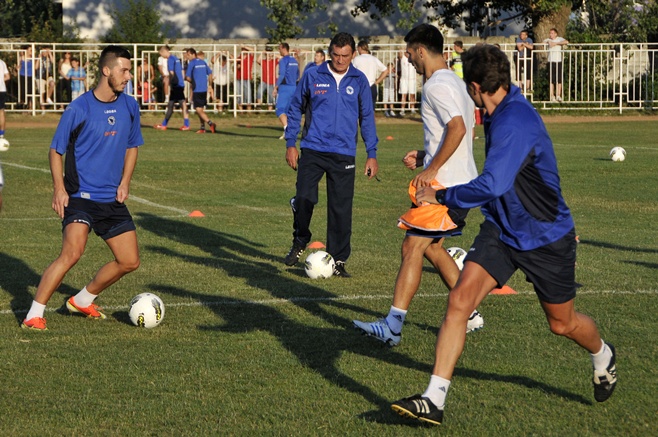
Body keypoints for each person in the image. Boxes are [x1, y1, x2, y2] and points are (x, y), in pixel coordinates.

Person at [390, 43, 617, 426]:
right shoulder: (496, 109)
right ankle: (434, 399)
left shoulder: (514, 121)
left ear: (476, 87)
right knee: (459, 301)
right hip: (502, 229)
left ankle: (603, 354)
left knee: (562, 324)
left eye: (467, 84)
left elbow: (493, 183)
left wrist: (442, 194)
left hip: (544, 235)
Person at [353, 23, 483, 346]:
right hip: (459, 182)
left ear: (422, 51)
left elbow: (457, 129)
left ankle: (393, 326)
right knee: (433, 248)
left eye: (410, 53)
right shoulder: (456, 83)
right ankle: (470, 313)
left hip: (443, 186)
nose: (408, 59)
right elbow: (460, 130)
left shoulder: (437, 86)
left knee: (412, 245)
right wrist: (426, 155)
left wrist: (431, 168)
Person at [21, 45, 144, 331]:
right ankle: (34, 314)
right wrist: (59, 189)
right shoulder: (80, 108)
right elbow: (56, 150)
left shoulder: (129, 105)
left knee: (129, 261)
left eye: (129, 70)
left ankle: (83, 299)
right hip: (79, 196)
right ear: (106, 70)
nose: (128, 76)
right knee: (72, 253)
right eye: (123, 70)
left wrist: (125, 182)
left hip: (112, 199)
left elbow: (132, 146)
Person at [283, 32, 379, 277]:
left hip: (344, 153)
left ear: (353, 54)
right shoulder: (313, 75)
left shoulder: (359, 81)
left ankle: (338, 261)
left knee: (341, 209)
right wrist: (291, 143)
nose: (340, 60)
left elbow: (367, 118)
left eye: (345, 56)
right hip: (313, 148)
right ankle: (301, 239)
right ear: (329, 52)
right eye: (336, 55)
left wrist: (371, 153)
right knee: (304, 197)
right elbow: (295, 108)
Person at [154, 45, 190, 131]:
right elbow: (181, 72)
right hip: (179, 84)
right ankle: (164, 124)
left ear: (164, 52)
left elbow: (172, 73)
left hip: (176, 85)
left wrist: (171, 82)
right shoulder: (176, 58)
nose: (162, 56)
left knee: (182, 104)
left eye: (161, 54)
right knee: (171, 104)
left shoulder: (170, 60)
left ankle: (186, 124)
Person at [185, 48, 216, 134]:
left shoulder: (192, 63)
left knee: (198, 110)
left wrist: (192, 81)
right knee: (201, 109)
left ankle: (210, 124)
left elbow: (187, 77)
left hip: (197, 89)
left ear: (192, 54)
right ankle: (202, 128)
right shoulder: (203, 62)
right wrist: (210, 85)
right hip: (204, 89)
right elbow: (210, 73)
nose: (187, 57)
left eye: (187, 55)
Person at [352, 40, 389, 109]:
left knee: (360, 109)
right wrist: (376, 82)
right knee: (371, 109)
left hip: (361, 86)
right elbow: (385, 70)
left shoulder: (357, 59)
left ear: (359, 48)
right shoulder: (374, 59)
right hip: (372, 86)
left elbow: (352, 72)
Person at [273, 43, 299, 140]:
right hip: (294, 87)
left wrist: (276, 87)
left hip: (285, 88)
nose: (279, 50)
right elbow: (297, 75)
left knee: (280, 110)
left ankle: (287, 129)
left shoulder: (283, 60)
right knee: (288, 111)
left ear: (284, 48)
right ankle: (287, 133)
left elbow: (282, 74)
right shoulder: (294, 61)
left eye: (279, 48)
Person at [544, 28, 568, 102]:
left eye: (552, 33)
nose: (551, 35)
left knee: (559, 79)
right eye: (550, 33)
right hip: (551, 61)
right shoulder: (548, 39)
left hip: (558, 60)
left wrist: (556, 43)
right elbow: (543, 42)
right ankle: (552, 96)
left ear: (556, 34)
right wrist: (549, 42)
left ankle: (558, 95)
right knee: (551, 79)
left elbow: (566, 41)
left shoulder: (559, 39)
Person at [398, 50, 417, 115]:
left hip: (412, 79)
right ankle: (402, 109)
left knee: (412, 94)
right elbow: (399, 52)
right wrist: (403, 50)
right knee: (404, 94)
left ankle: (412, 108)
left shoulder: (413, 58)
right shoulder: (402, 57)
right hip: (404, 79)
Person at [236, 46, 255, 110]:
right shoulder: (239, 57)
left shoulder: (250, 57)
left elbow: (253, 50)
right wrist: (237, 67)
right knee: (239, 94)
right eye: (242, 50)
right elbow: (235, 66)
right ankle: (240, 110)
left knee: (248, 94)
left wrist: (244, 46)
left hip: (246, 77)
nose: (243, 51)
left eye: (245, 50)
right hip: (238, 77)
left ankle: (249, 110)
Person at [18, 45, 34, 110]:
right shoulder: (21, 58)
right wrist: (17, 68)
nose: (31, 51)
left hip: (30, 76)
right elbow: (18, 66)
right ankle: (23, 106)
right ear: (26, 50)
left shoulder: (33, 58)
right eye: (30, 50)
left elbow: (35, 67)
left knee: (30, 91)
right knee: (23, 91)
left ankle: (30, 107)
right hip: (23, 75)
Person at [0, 56, 9, 140]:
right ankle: (1, 134)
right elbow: (7, 76)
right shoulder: (2, 63)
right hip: (2, 89)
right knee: (1, 111)